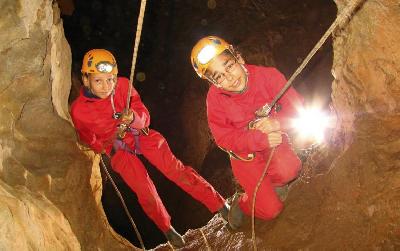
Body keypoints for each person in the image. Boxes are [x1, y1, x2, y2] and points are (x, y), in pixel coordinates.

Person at [71, 49, 229, 248]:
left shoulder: (123, 87)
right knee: (144, 190)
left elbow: (144, 115)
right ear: (86, 80)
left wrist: (133, 119)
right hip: (118, 150)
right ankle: (167, 229)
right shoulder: (79, 110)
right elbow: (87, 138)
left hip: (142, 135)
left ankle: (220, 204)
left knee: (177, 170)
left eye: (110, 79)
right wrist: (102, 147)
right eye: (99, 81)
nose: (106, 86)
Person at [190, 36, 304, 229]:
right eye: (219, 77)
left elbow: (297, 107)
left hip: (273, 141)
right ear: (212, 83)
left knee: (290, 170)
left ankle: (273, 183)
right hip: (245, 157)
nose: (230, 78)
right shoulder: (215, 100)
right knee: (271, 211)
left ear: (239, 58)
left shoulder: (268, 76)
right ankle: (243, 203)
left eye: (229, 67)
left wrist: (276, 123)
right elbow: (224, 138)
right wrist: (258, 138)